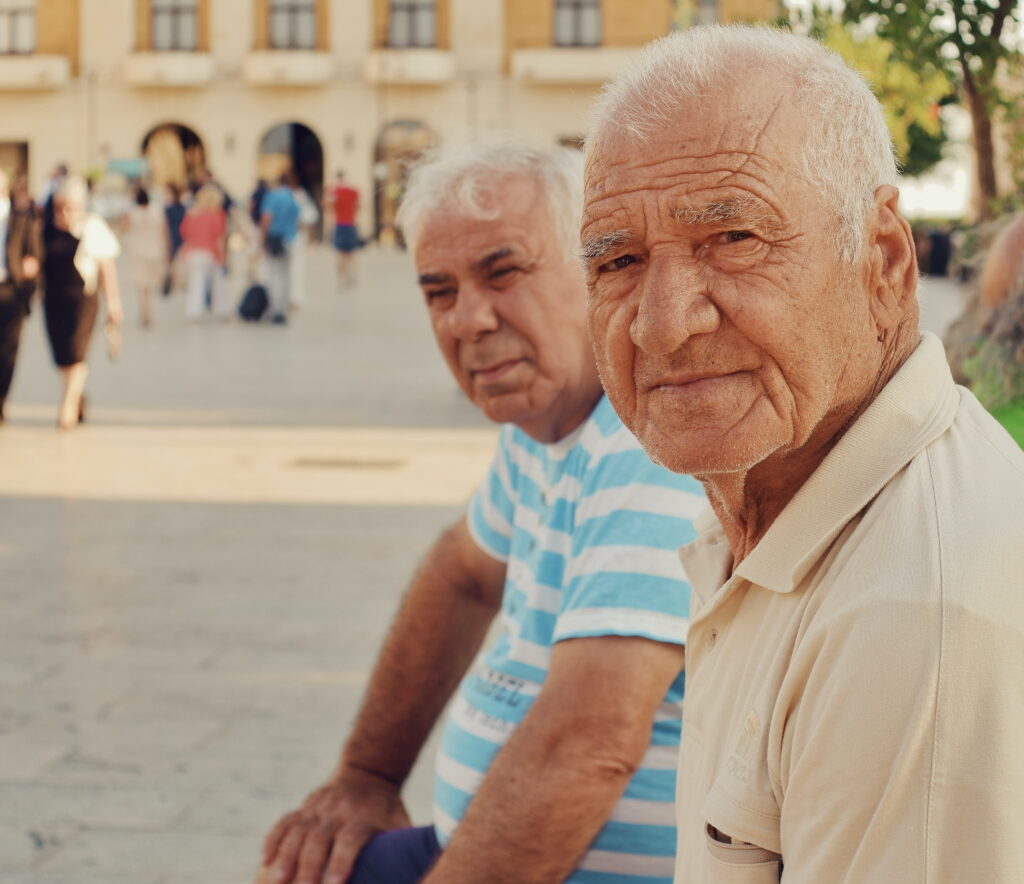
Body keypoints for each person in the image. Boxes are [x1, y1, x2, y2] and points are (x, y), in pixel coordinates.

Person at [581, 25, 1024, 882]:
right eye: (620, 261)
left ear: (885, 260)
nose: (663, 323)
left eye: (734, 240)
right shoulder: (789, 511)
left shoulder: (909, 613)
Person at [255, 142, 706, 884]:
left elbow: (586, 748)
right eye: (439, 292)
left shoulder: (649, 441)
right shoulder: (547, 425)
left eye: (504, 273)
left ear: (598, 271)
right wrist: (367, 775)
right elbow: (461, 573)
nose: (467, 320)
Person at [42, 174, 122, 430]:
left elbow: (107, 267)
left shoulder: (93, 227)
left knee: (77, 353)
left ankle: (66, 408)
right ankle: (76, 396)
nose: (64, 213)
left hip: (83, 301)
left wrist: (113, 302)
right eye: (60, 207)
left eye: (70, 207)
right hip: (53, 301)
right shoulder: (46, 229)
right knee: (62, 357)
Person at [0, 172, 42, 423]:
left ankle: (1, 399)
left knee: (7, 352)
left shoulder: (22, 218)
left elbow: (36, 254)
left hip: (10, 291)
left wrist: (30, 267)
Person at [119, 185, 167, 327]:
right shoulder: (157, 211)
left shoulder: (132, 213)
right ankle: (149, 312)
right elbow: (164, 231)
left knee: (142, 285)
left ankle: (144, 312)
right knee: (150, 285)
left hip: (138, 252)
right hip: (155, 251)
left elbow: (122, 229)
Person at [179, 183, 229, 320]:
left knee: (196, 283)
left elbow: (185, 234)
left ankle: (193, 311)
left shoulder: (191, 214)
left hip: (193, 252)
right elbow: (219, 238)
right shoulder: (217, 215)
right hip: (211, 252)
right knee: (217, 283)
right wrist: (222, 255)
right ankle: (220, 309)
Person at [260, 173, 300, 324]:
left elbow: (266, 218)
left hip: (274, 238)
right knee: (285, 276)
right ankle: (281, 310)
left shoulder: (272, 196)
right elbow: (297, 221)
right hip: (288, 239)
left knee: (272, 274)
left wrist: (262, 239)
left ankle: (273, 308)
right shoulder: (292, 197)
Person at [324, 170, 360, 287]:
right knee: (350, 253)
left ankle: (340, 278)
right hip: (350, 223)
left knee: (340, 253)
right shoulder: (353, 190)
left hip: (339, 224)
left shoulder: (334, 191)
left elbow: (327, 206)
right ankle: (351, 275)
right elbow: (359, 205)